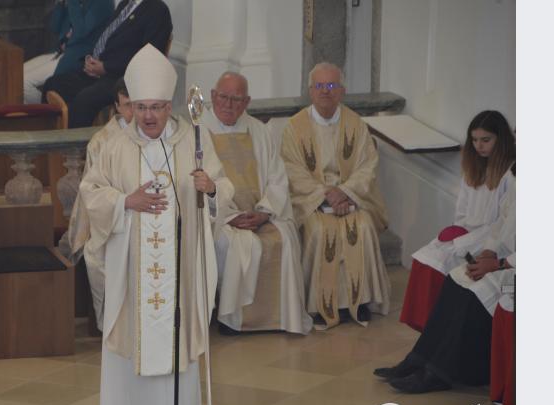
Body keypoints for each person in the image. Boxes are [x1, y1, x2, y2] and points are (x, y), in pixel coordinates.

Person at [80, 44, 233, 405]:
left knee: (177, 343)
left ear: (170, 106)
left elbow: (223, 189)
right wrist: (125, 201)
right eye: (142, 106)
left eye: (157, 107)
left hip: (180, 265)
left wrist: (210, 188)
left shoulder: (193, 141)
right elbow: (91, 191)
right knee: (140, 344)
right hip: (134, 265)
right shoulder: (114, 145)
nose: (148, 115)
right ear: (131, 106)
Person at [375, 166, 515, 393]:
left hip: (517, 275)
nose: (517, 142)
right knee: (456, 278)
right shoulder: (517, 172)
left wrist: (499, 264)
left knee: (476, 292)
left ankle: (440, 373)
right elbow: (503, 221)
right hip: (502, 259)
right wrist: (489, 250)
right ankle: (419, 358)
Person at [280, 62, 390, 329]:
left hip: (350, 197)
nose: (325, 92)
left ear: (342, 91)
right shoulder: (295, 127)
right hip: (313, 201)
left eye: (331, 86)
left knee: (362, 227)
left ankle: (360, 301)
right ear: (310, 91)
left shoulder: (356, 124)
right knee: (319, 230)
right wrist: (325, 195)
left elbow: (368, 166)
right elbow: (291, 169)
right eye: (320, 86)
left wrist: (346, 192)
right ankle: (318, 304)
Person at [202, 72, 311, 335]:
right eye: (224, 97)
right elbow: (198, 183)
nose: (228, 105)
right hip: (219, 218)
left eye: (236, 99)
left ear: (247, 101)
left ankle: (280, 318)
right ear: (213, 96)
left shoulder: (260, 131)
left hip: (260, 214)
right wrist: (230, 217)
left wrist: (263, 212)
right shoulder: (197, 131)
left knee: (284, 237)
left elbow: (277, 178)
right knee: (236, 243)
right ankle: (233, 319)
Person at [400, 111, 515, 331]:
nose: (479, 146)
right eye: (474, 140)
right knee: (425, 257)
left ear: (501, 140)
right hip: (468, 234)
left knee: (441, 262)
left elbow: (500, 225)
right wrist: (457, 233)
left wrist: (464, 243)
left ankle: (436, 327)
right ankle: (425, 328)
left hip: (489, 243)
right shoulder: (472, 170)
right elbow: (461, 213)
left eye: (485, 140)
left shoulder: (509, 175)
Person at [58, 79, 134, 330]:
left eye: (141, 104)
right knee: (96, 257)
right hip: (113, 219)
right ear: (117, 106)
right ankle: (112, 327)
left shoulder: (161, 136)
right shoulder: (102, 141)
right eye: (128, 105)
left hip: (152, 217)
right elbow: (93, 192)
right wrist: (124, 203)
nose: (135, 112)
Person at [43, 0, 172, 128]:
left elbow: (148, 60)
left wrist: (106, 67)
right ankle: (47, 142)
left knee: (84, 100)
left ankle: (77, 147)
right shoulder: (125, 4)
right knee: (53, 84)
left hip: (122, 79)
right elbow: (108, 38)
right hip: (100, 72)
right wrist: (92, 60)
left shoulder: (157, 10)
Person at [23, 0, 114, 103]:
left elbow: (80, 31)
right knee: (18, 74)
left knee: (23, 82)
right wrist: (60, 4)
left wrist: (72, 2)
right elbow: (54, 27)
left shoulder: (103, 3)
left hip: (77, 58)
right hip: (60, 52)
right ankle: (48, 106)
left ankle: (48, 111)